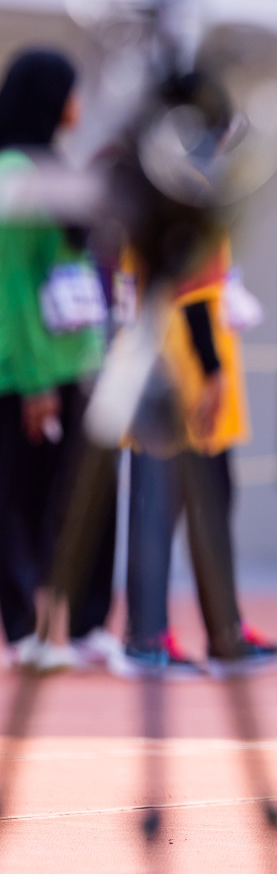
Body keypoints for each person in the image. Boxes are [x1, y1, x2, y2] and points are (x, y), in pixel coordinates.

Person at [120, 225, 277, 679]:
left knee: (210, 505)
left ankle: (224, 632)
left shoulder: (180, 193)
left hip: (178, 365)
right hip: (180, 371)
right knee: (162, 510)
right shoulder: (182, 194)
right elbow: (191, 287)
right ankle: (147, 637)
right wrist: (212, 369)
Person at [0, 47, 120, 672]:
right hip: (27, 368)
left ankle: (91, 623)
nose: (78, 105)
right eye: (70, 91)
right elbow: (13, 286)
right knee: (17, 500)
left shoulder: (58, 164)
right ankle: (23, 629)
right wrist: (32, 377)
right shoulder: (15, 172)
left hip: (77, 361)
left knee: (89, 493)